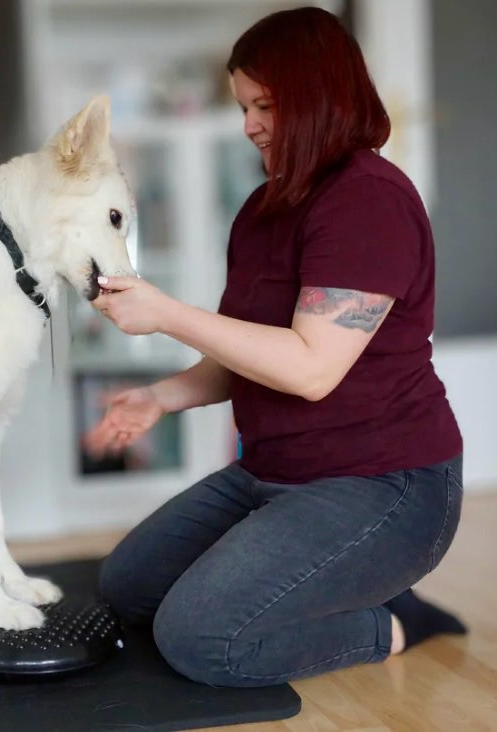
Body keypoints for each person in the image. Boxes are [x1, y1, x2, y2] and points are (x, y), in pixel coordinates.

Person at [84, 7, 467, 688]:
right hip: (271, 472)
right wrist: (159, 397)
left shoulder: (368, 200)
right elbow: (247, 353)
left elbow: (310, 368)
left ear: (320, 97)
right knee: (129, 589)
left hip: (383, 484)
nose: (249, 125)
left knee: (198, 639)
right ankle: (318, 575)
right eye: (244, 107)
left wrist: (166, 314)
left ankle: (392, 622)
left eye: (265, 105)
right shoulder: (262, 210)